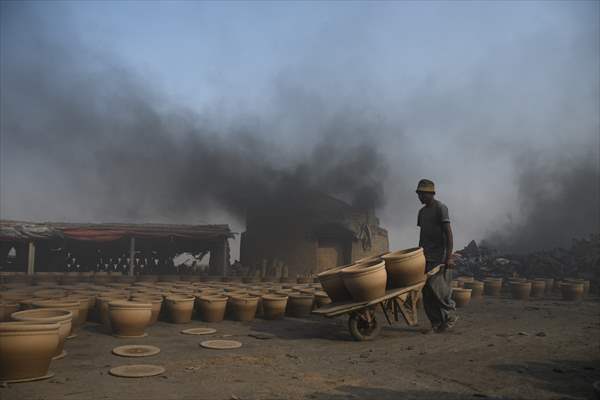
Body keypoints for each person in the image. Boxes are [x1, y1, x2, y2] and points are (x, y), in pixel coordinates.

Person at [416, 178, 457, 333]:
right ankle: (436, 323)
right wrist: (418, 254)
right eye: (419, 194)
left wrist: (449, 256)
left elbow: (448, 234)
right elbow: (423, 235)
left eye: (422, 194)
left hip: (440, 256)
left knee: (440, 291)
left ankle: (450, 317)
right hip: (425, 257)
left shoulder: (441, 208)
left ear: (431, 194)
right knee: (427, 293)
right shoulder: (422, 212)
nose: (420, 197)